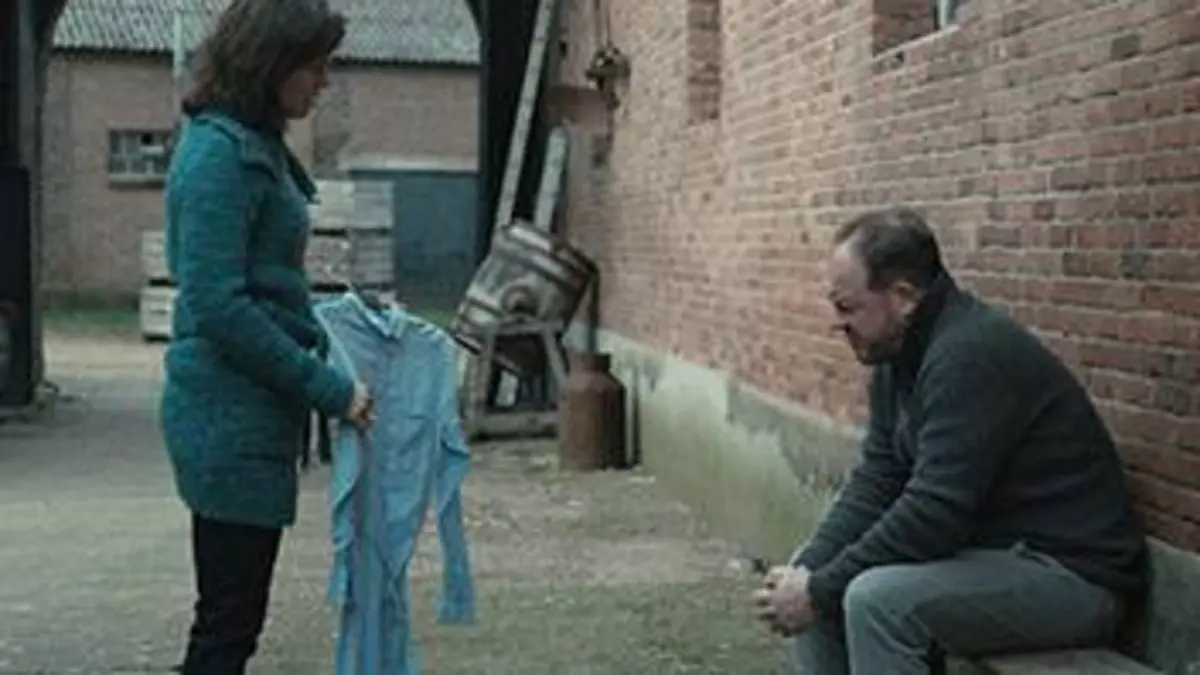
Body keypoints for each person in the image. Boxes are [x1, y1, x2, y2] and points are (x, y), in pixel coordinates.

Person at [752, 207, 1147, 674]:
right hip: (992, 557)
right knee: (816, 571)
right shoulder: (896, 355)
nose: (836, 324)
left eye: (847, 307)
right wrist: (811, 572)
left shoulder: (968, 357)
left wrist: (819, 591)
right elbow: (877, 480)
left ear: (903, 297)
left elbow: (935, 512)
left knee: (875, 601)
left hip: (1072, 579)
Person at [159, 1, 373, 672]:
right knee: (227, 622)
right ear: (270, 64)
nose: (324, 81)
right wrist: (328, 389)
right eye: (315, 66)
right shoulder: (217, 157)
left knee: (233, 616)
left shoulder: (254, 146)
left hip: (251, 413)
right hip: (225, 416)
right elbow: (218, 303)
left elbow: (271, 284)